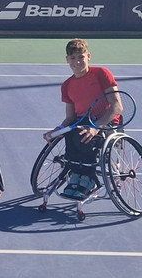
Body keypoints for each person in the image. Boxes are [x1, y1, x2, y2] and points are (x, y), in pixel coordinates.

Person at [43, 37, 122, 200]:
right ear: (67, 60)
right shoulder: (67, 85)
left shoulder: (101, 74)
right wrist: (57, 131)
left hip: (106, 122)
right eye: (73, 58)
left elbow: (117, 106)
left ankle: (88, 179)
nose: (77, 62)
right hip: (82, 123)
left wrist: (96, 127)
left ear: (88, 56)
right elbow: (70, 117)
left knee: (82, 137)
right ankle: (76, 177)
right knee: (70, 135)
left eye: (81, 57)